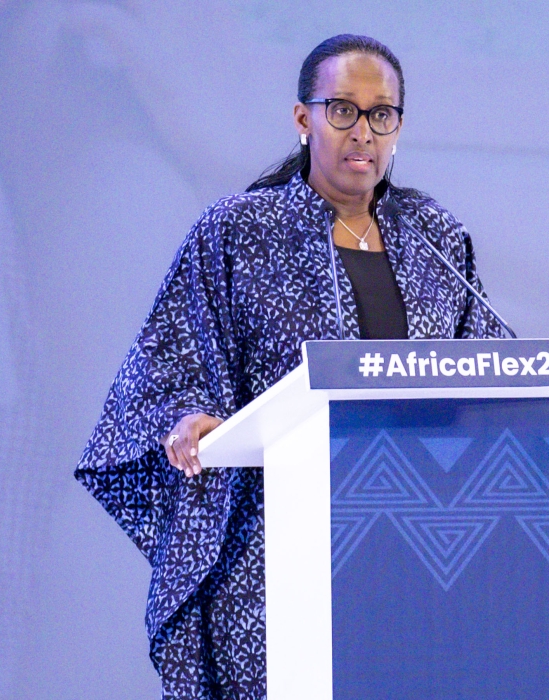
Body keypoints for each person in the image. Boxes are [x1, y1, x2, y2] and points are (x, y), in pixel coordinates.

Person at [74, 33, 508, 698]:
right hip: (272, 561)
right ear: (304, 119)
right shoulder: (238, 231)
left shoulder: (435, 236)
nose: (363, 131)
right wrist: (189, 420)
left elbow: (489, 368)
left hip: (414, 554)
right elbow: (163, 368)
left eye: (381, 114)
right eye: (343, 110)